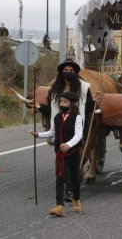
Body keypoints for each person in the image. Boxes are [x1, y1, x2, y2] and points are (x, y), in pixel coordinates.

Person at [36, 59, 94, 201]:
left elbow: (89, 107)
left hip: (75, 126)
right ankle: (64, 189)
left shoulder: (84, 88)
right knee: (61, 160)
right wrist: (40, 108)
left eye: (71, 70)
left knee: (72, 160)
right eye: (65, 70)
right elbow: (52, 109)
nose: (68, 73)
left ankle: (69, 190)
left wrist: (94, 102)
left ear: (75, 73)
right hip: (60, 127)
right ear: (61, 73)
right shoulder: (55, 90)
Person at [30, 91, 83, 216]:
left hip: (73, 152)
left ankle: (76, 200)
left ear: (72, 104)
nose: (62, 104)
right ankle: (59, 206)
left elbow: (78, 135)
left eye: (65, 102)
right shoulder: (57, 117)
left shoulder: (77, 118)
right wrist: (38, 135)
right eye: (61, 102)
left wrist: (68, 145)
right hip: (60, 153)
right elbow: (52, 132)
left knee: (75, 177)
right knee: (60, 178)